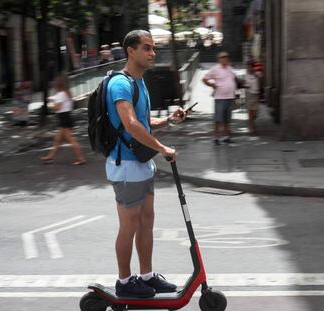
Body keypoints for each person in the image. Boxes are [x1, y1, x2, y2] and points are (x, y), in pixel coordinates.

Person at [106, 29, 186, 298]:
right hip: (125, 164)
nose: (153, 53)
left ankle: (147, 275)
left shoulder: (139, 82)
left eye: (154, 48)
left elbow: (143, 122)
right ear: (131, 50)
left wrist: (169, 121)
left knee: (147, 221)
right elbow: (129, 125)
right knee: (128, 225)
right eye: (147, 48)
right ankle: (124, 281)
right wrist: (162, 148)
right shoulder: (120, 84)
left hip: (141, 162)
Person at [41, 74, 86, 165]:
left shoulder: (61, 94)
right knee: (57, 139)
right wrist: (53, 99)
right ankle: (50, 157)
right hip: (66, 117)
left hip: (64, 118)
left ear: (58, 85)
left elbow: (57, 107)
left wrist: (52, 103)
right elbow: (60, 100)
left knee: (71, 139)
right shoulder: (66, 92)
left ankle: (80, 159)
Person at [202, 51, 237, 145]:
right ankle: (216, 138)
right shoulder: (215, 69)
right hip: (220, 98)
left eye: (226, 56)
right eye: (222, 57)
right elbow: (204, 79)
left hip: (230, 97)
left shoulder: (230, 68)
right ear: (219, 59)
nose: (225, 58)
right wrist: (212, 85)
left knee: (227, 119)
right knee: (218, 119)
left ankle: (226, 137)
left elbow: (233, 80)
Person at [244, 60, 261, 133]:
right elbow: (244, 84)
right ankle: (251, 126)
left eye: (250, 67)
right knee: (250, 111)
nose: (249, 68)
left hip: (256, 94)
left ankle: (251, 123)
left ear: (253, 67)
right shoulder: (246, 75)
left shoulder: (258, 74)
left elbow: (261, 78)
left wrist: (255, 73)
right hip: (249, 94)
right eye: (248, 67)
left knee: (256, 112)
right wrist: (245, 85)